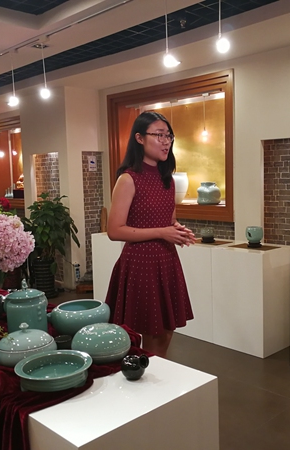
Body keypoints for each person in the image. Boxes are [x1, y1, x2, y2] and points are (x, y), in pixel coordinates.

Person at [105, 111, 196, 357]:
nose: (166, 142)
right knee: (146, 334)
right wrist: (162, 232)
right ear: (139, 138)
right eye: (159, 135)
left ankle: (158, 373)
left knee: (166, 331)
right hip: (141, 263)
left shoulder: (168, 180)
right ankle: (143, 374)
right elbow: (115, 230)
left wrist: (177, 230)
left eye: (169, 136)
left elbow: (170, 220)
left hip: (166, 260)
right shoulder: (128, 179)